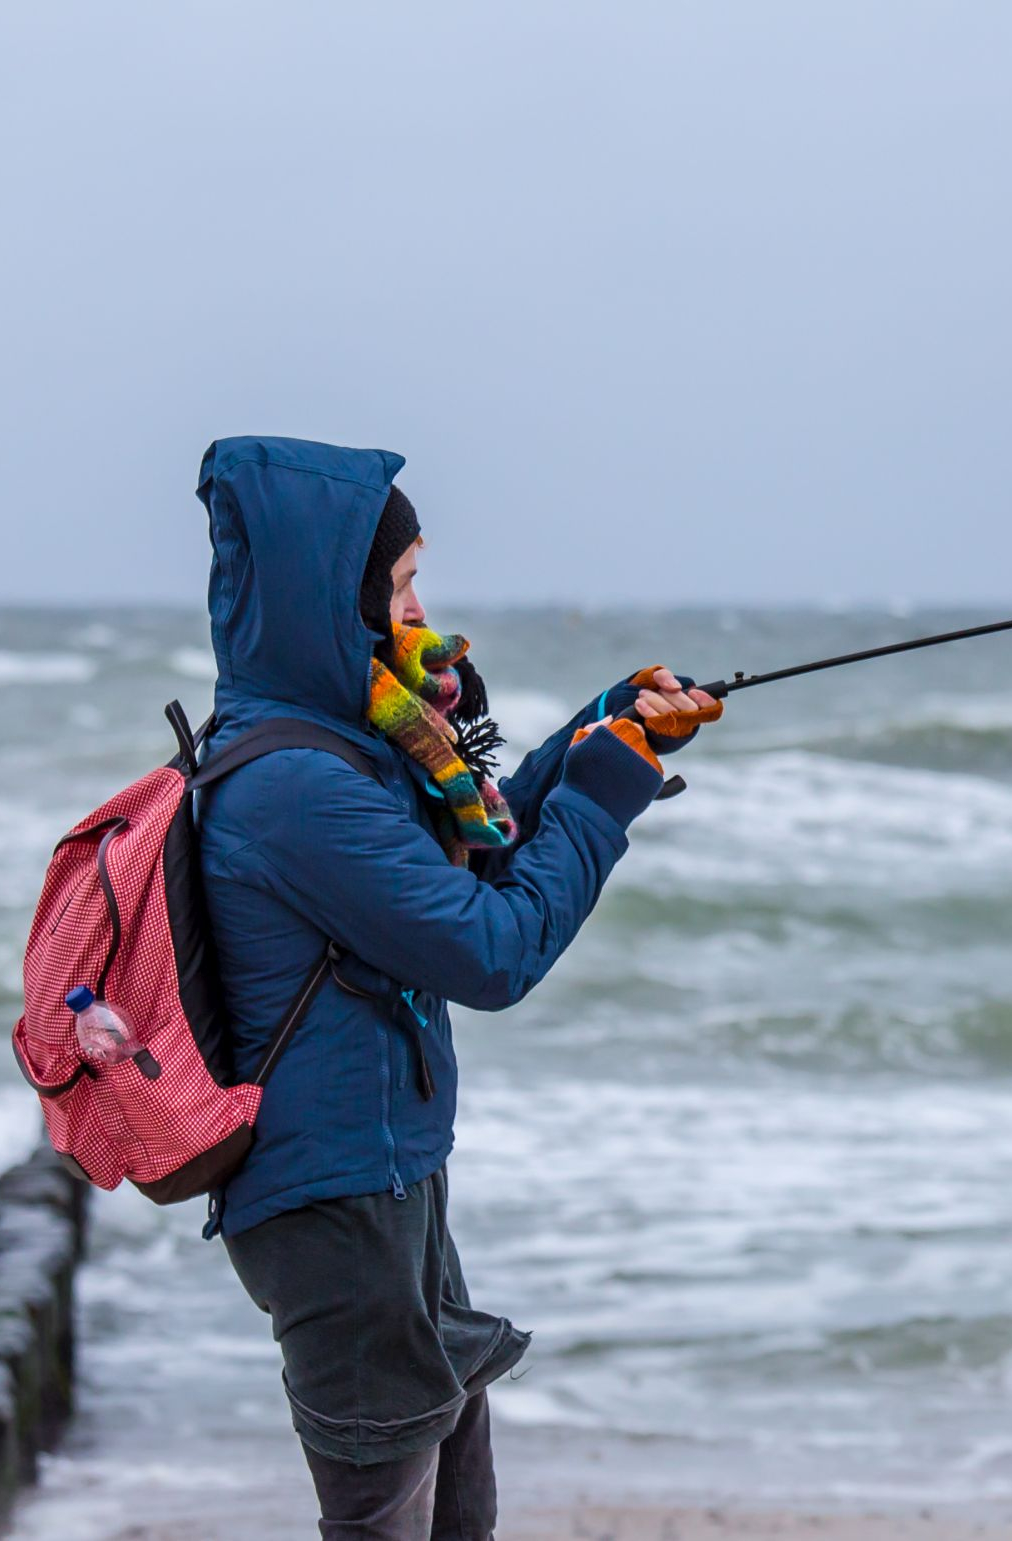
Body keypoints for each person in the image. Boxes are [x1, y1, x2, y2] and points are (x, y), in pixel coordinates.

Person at [190, 436, 720, 1540]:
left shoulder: (361, 733)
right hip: (335, 1208)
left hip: (390, 1180)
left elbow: (483, 843)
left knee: (459, 1500)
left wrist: (603, 726)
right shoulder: (295, 787)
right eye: (400, 581)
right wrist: (607, 792)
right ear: (331, 596)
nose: (420, 604)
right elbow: (492, 949)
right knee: (388, 1516)